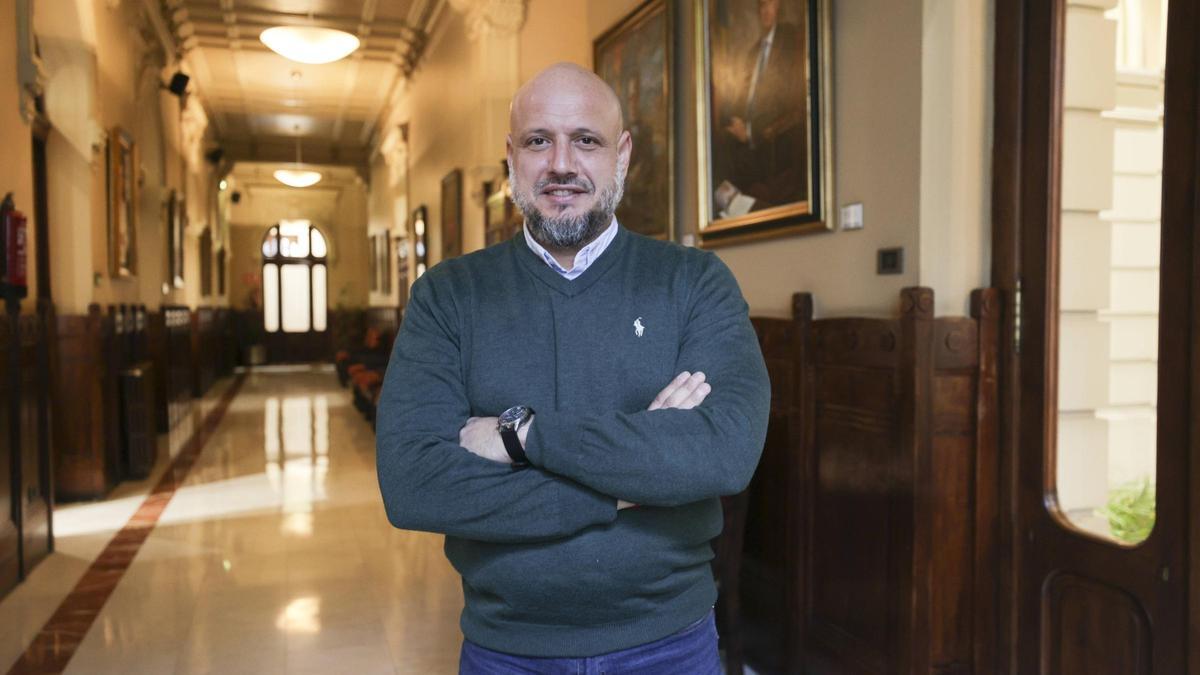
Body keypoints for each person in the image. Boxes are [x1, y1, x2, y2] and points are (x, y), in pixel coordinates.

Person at [376, 62, 770, 673]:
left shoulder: (695, 283)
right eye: (539, 141)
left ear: (621, 154)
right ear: (511, 156)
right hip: (507, 650)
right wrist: (627, 486)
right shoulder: (448, 296)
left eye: (586, 140)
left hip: (670, 645)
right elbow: (413, 485)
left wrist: (520, 434)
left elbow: (723, 453)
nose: (562, 163)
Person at [716, 0, 809, 214]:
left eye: (770, 5)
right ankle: (730, 206)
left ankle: (737, 207)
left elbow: (788, 101)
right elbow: (744, 97)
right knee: (719, 143)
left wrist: (749, 132)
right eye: (762, 6)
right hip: (747, 138)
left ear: (779, 7)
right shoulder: (754, 52)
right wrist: (736, 123)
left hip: (774, 139)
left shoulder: (789, 40)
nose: (766, 11)